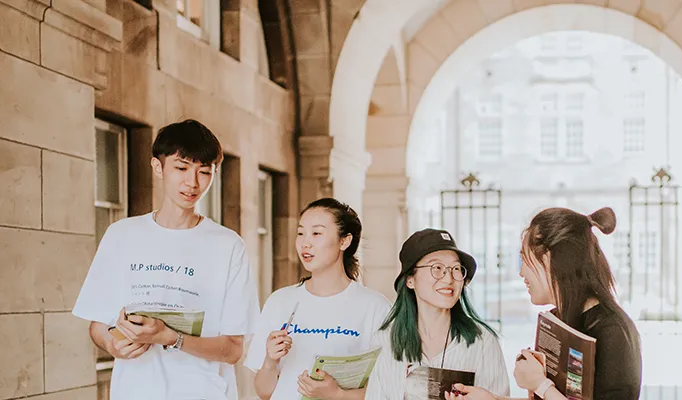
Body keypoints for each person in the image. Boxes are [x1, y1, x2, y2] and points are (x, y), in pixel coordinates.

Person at [72, 119, 260, 400]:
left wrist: (171, 337)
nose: (192, 182)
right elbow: (98, 325)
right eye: (181, 168)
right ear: (158, 167)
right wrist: (112, 345)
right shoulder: (122, 235)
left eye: (204, 172)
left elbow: (233, 349)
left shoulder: (228, 245)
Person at [447, 207, 642, 400]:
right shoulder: (559, 320)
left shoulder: (613, 330)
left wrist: (541, 384)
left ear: (549, 259)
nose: (521, 272)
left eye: (524, 259)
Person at [244, 198, 391, 400]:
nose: (305, 243)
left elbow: (390, 389)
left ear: (344, 241)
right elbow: (264, 392)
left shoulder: (375, 307)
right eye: (300, 233)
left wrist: (337, 394)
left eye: (316, 233)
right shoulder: (279, 301)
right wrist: (270, 361)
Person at [365, 228, 510, 400]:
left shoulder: (483, 342)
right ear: (410, 280)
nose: (448, 278)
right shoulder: (385, 341)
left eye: (456, 268)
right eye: (437, 267)